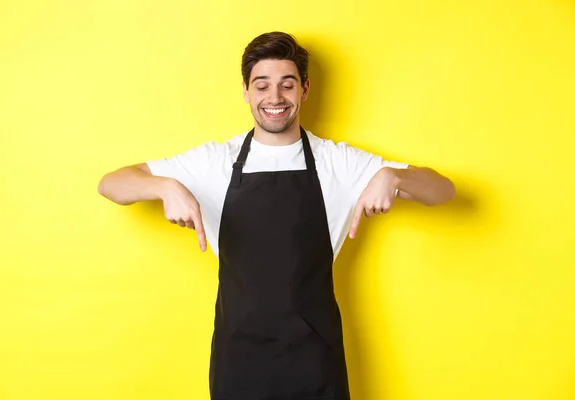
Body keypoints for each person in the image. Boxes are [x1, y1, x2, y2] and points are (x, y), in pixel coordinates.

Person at [98, 31, 455, 400]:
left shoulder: (338, 162)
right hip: (239, 358)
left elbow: (443, 191)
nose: (274, 98)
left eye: (287, 84)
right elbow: (112, 184)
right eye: (262, 85)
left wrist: (394, 176)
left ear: (305, 89)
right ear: (246, 90)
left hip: (316, 358)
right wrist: (165, 187)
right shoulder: (214, 162)